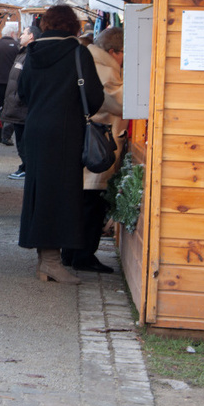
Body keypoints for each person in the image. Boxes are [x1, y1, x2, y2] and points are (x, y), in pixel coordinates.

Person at [17, 4, 104, 285]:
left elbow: (23, 92)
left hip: (36, 129)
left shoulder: (32, 52)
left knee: (40, 192)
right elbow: (93, 97)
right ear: (73, 25)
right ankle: (52, 262)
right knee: (62, 196)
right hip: (66, 131)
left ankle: (46, 261)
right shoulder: (78, 52)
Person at [63, 27, 126, 273]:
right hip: (99, 143)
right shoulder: (105, 68)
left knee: (83, 203)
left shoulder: (90, 59)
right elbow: (120, 102)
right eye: (123, 53)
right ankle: (83, 255)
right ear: (113, 51)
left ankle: (72, 253)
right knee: (91, 204)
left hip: (87, 140)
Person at [1, 25, 36, 180]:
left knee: (23, 141)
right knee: (21, 140)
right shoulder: (22, 53)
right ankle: (25, 166)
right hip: (17, 105)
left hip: (22, 107)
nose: (20, 36)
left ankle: (27, 167)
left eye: (24, 33)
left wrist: (20, 97)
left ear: (32, 36)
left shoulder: (30, 55)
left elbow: (26, 82)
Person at [0, 21, 20, 145]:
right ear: (12, 33)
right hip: (13, 83)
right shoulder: (17, 46)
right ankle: (6, 136)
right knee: (11, 108)